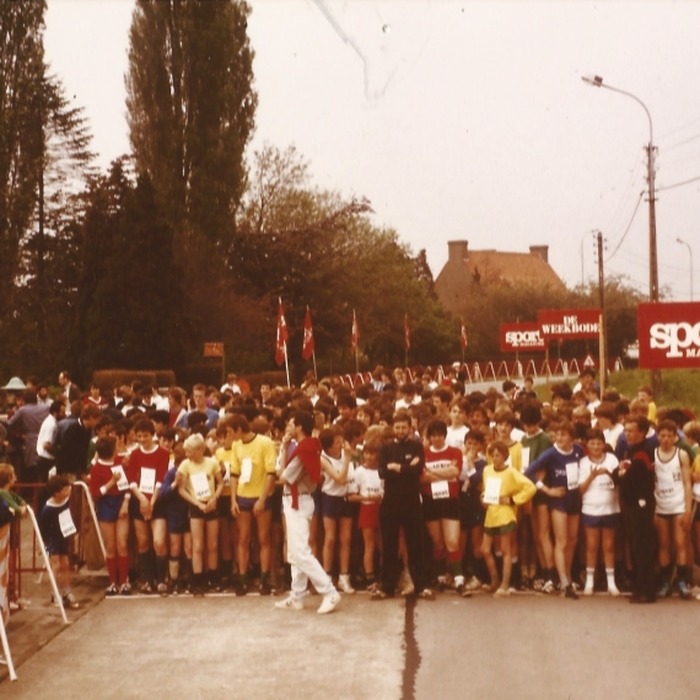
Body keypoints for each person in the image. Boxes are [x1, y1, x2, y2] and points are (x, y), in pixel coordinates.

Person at [275, 410, 340, 614]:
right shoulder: (306, 447)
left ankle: (329, 592)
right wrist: (284, 447)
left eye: (292, 423)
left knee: (301, 552)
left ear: (300, 427)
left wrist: (281, 452)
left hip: (298, 501)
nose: (289, 427)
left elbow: (283, 476)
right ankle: (297, 595)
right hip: (297, 500)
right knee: (295, 552)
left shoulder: (304, 449)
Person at [372, 410, 433, 601]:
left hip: (412, 502)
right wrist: (406, 468)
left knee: (416, 544)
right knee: (389, 546)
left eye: (403, 427)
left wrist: (398, 468)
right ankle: (388, 586)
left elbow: (417, 469)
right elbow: (382, 472)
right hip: (390, 502)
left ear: (410, 428)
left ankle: (421, 585)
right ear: (393, 428)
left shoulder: (417, 446)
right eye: (397, 427)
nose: (400, 431)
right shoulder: (385, 448)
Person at [525, 420, 584, 599]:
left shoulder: (579, 451)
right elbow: (529, 472)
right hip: (559, 501)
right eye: (557, 435)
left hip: (575, 499)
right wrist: (547, 490)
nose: (559, 438)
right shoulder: (551, 454)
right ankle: (564, 582)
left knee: (573, 540)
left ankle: (566, 575)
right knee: (562, 541)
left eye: (563, 435)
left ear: (572, 438)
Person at [228, 414, 277, 596]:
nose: (230, 436)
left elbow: (271, 473)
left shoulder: (265, 443)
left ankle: (264, 580)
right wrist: (233, 500)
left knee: (264, 538)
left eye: (231, 432)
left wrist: (262, 499)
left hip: (261, 496)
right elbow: (234, 473)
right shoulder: (236, 445)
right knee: (243, 539)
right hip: (243, 496)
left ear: (239, 429)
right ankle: (243, 580)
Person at [480, 441, 536, 596]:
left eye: (498, 455)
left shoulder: (511, 472)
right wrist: (483, 498)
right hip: (491, 514)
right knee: (485, 549)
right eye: (493, 455)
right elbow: (486, 491)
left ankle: (504, 585)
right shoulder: (487, 470)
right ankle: (494, 580)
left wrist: (513, 500)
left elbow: (530, 487)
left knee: (506, 550)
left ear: (505, 456)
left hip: (505, 514)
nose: (495, 458)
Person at [126, 418, 171, 594]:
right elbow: (131, 479)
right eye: (139, 436)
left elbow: (161, 478)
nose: (142, 439)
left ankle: (162, 580)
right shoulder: (135, 455)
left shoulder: (163, 453)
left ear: (152, 435)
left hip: (157, 501)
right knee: (143, 542)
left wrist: (151, 501)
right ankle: (149, 580)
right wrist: (142, 500)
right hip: (140, 500)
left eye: (145, 436)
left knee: (159, 542)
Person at [420, 419, 465, 594]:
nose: (437, 438)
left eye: (440, 435)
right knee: (438, 543)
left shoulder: (454, 452)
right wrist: (445, 474)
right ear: (429, 437)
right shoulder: (423, 453)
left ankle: (459, 579)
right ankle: (440, 577)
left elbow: (456, 472)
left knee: (452, 542)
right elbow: (422, 479)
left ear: (444, 435)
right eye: (434, 435)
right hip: (431, 502)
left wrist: (432, 472)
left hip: (450, 501)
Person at [616, 416, 656, 603]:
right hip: (632, 505)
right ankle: (640, 586)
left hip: (641, 505)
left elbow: (629, 480)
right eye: (626, 430)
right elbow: (621, 476)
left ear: (642, 432)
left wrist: (622, 474)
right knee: (635, 546)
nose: (627, 434)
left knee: (642, 547)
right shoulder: (631, 451)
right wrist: (621, 473)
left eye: (631, 430)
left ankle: (646, 590)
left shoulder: (643, 454)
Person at [178, 433, 224, 594]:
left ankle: (213, 577)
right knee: (197, 545)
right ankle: (197, 579)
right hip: (196, 506)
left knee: (212, 544)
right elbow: (181, 489)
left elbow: (220, 483)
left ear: (199, 450)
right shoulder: (185, 465)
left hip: (211, 504)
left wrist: (215, 499)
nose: (187, 454)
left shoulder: (212, 463)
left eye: (189, 451)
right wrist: (197, 503)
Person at [578, 428, 621, 596]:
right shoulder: (583, 462)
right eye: (592, 443)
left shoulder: (611, 459)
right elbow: (580, 489)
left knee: (609, 546)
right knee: (591, 546)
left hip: (610, 508)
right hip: (590, 509)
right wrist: (592, 476)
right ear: (587, 445)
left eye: (599, 443)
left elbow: (620, 482)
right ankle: (589, 581)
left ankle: (612, 583)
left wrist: (609, 474)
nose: (596, 446)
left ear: (604, 444)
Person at [653, 419, 693, 599]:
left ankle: (682, 581)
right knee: (663, 545)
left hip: (678, 504)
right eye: (662, 435)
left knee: (680, 543)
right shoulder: (653, 454)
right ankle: (664, 581)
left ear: (675, 436)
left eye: (670, 435)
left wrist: (687, 509)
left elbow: (687, 483)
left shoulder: (681, 455)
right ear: (657, 436)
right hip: (660, 505)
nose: (666, 439)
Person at [89, 436, 131, 595]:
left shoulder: (121, 462)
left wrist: (125, 504)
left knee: (122, 544)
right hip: (105, 505)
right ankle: (113, 582)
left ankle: (125, 581)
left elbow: (127, 485)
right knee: (111, 546)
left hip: (121, 503)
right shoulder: (96, 469)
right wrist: (111, 482)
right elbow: (96, 493)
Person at [318, 426, 355, 594]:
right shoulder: (323, 459)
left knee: (345, 539)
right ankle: (326, 577)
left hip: (346, 498)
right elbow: (339, 478)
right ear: (328, 446)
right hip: (330, 498)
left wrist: (347, 457)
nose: (341, 444)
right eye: (337, 442)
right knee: (330, 538)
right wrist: (347, 458)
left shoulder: (346, 454)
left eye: (341, 440)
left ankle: (344, 576)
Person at [347, 438, 383, 591]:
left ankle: (384, 575)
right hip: (367, 509)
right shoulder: (359, 471)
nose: (369, 457)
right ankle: (370, 577)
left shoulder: (382, 470)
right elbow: (351, 496)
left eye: (373, 453)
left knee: (383, 545)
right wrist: (368, 497)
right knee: (369, 545)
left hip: (382, 509)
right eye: (367, 453)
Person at [39, 475, 79, 609]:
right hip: (51, 538)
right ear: (56, 493)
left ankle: (67, 591)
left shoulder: (66, 501)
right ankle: (54, 593)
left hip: (62, 536)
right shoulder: (47, 509)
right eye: (66, 489)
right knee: (56, 565)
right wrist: (45, 545)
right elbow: (43, 527)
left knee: (65, 564)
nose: (69, 491)